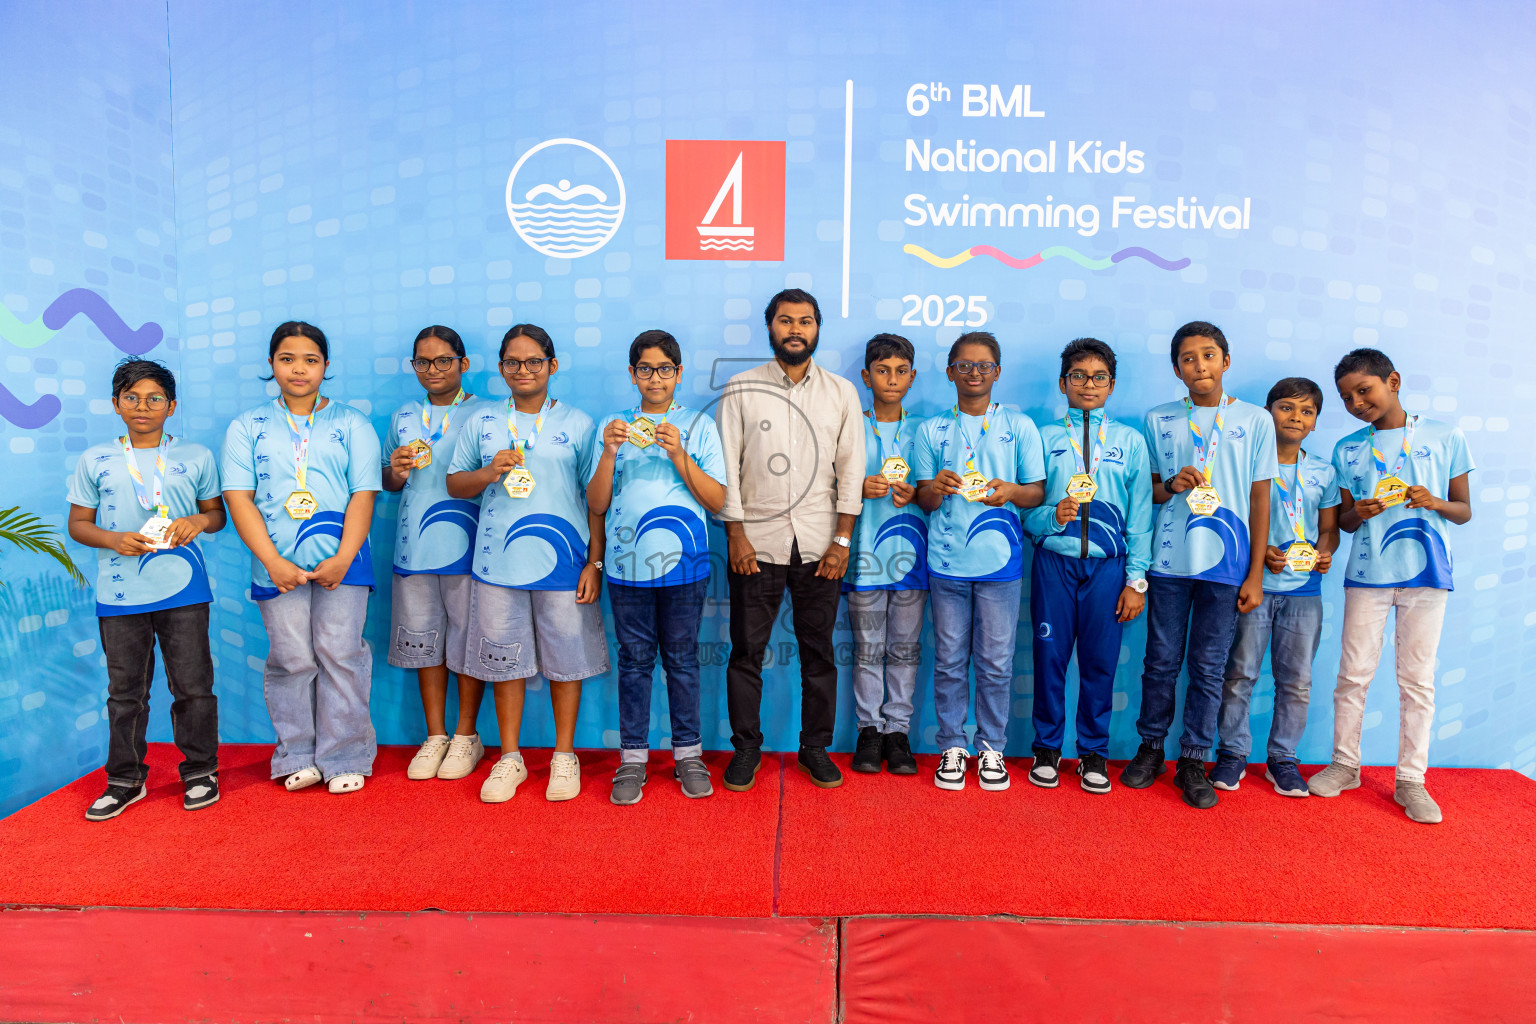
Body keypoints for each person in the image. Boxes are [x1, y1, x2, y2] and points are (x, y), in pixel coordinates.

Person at [1309, 348, 1473, 824]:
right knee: (1353, 675)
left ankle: (1411, 780)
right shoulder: (1348, 449)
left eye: (1365, 390)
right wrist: (1354, 513)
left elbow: (1464, 510)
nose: (1358, 402)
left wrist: (1435, 502)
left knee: (1417, 681)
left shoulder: (1445, 436)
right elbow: (1339, 520)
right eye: (1347, 397)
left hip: (1427, 574)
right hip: (1367, 574)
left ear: (1393, 381)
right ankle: (1344, 765)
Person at [446, 323, 608, 803]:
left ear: (552, 366)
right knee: (503, 662)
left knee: (567, 661)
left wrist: (594, 564)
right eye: (513, 362)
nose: (523, 370)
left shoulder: (579, 423)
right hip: (498, 565)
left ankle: (563, 756)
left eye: (534, 361)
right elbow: (456, 485)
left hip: (563, 564)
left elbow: (596, 500)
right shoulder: (482, 422)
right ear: (500, 369)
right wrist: (487, 471)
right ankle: (510, 757)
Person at [1120, 321, 1276, 809]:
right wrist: (1175, 483)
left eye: (1209, 355)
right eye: (1189, 358)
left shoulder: (1255, 420)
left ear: (1225, 361)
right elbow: (1150, 492)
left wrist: (1255, 573)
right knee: (1160, 662)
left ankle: (1193, 757)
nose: (1199, 365)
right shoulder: (1159, 418)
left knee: (1209, 667)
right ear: (1176, 368)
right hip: (1169, 562)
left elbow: (1260, 496)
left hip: (1226, 565)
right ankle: (1150, 748)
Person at [222, 322, 382, 795]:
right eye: (288, 358)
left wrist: (345, 557)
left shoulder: (352, 423)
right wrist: (272, 561)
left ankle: (346, 755)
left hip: (342, 563)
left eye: (310, 360)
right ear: (272, 363)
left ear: (326, 367)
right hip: (277, 565)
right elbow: (239, 498)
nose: (299, 369)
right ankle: (297, 753)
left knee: (341, 654)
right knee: (291, 659)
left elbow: (363, 495)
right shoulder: (247, 426)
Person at [715, 288, 865, 791]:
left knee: (818, 652)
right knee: (746, 652)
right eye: (785, 320)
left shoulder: (842, 392)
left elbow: (851, 470)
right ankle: (746, 749)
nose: (795, 329)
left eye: (805, 321)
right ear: (771, 328)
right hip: (754, 544)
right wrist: (735, 535)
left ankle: (815, 748)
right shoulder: (740, 387)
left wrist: (842, 541)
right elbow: (728, 469)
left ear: (818, 328)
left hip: (822, 546)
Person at [67, 358, 226, 820]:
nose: (143, 406)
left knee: (194, 687)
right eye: (132, 397)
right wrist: (114, 539)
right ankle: (124, 780)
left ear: (171, 406)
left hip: (185, 590)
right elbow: (78, 525)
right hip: (118, 593)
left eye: (155, 398)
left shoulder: (196, 456)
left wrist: (198, 520)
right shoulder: (94, 459)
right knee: (125, 692)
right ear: (116, 404)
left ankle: (200, 771)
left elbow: (215, 515)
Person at [587, 329, 726, 804]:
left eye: (665, 369)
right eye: (645, 369)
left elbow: (717, 500)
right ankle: (633, 759)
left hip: (684, 567)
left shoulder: (698, 426)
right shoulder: (613, 427)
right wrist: (608, 453)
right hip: (626, 568)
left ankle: (689, 754)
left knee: (683, 661)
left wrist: (679, 454)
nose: (655, 378)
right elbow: (597, 502)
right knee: (635, 663)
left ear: (679, 374)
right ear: (632, 374)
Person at [913, 331, 1045, 792]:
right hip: (947, 563)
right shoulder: (931, 429)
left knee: (995, 662)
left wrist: (1010, 491)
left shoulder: (1019, 426)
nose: (974, 373)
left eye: (984, 366)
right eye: (964, 365)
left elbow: (1037, 492)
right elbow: (923, 499)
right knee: (949, 660)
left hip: (1001, 564)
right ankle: (952, 745)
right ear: (950, 372)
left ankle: (992, 748)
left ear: (997, 372)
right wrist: (936, 486)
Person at [1022, 338, 1151, 794]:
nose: (1088, 384)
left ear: (1111, 385)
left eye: (1098, 377)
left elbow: (1140, 515)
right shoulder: (1042, 437)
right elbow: (1027, 507)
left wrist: (1136, 579)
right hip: (1053, 564)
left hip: (1108, 569)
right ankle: (1047, 749)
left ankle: (1093, 751)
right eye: (1078, 376)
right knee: (1049, 657)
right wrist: (1047, 516)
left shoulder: (1130, 441)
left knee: (1100, 662)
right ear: (1063, 383)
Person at [1212, 378, 1340, 797]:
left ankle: (1283, 759)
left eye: (1306, 412)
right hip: (1255, 586)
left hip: (1305, 592)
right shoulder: (1245, 465)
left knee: (1296, 680)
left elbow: (1329, 529)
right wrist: (1260, 551)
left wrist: (1324, 552)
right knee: (1240, 674)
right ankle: (1232, 754)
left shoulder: (1324, 470)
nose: (1296, 417)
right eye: (1286, 408)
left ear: (1316, 422)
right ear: (1267, 415)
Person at [381, 326, 489, 783]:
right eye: (422, 362)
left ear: (463, 364)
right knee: (423, 641)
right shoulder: (404, 415)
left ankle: (467, 734)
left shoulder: (487, 413)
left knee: (467, 642)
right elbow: (387, 482)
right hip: (415, 547)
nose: (432, 370)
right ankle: (435, 734)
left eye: (443, 360)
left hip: (471, 547)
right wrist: (397, 470)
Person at [846, 333, 926, 776]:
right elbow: (828, 482)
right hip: (863, 561)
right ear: (866, 376)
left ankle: (898, 731)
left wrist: (917, 492)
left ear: (912, 377)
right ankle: (868, 730)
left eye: (900, 371)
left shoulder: (927, 430)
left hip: (911, 560)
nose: (891, 379)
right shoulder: (851, 425)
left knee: (905, 650)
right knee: (867, 650)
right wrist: (858, 487)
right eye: (882, 370)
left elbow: (934, 489)